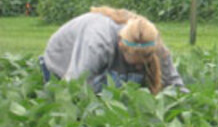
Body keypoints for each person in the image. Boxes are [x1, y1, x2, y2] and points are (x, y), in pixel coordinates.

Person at [40, 6, 187, 94]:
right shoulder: (98, 44)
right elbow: (74, 87)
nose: (139, 67)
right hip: (60, 63)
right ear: (122, 46)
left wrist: (191, 109)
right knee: (88, 98)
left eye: (145, 62)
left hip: (95, 62)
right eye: (136, 63)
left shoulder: (154, 44)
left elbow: (174, 84)